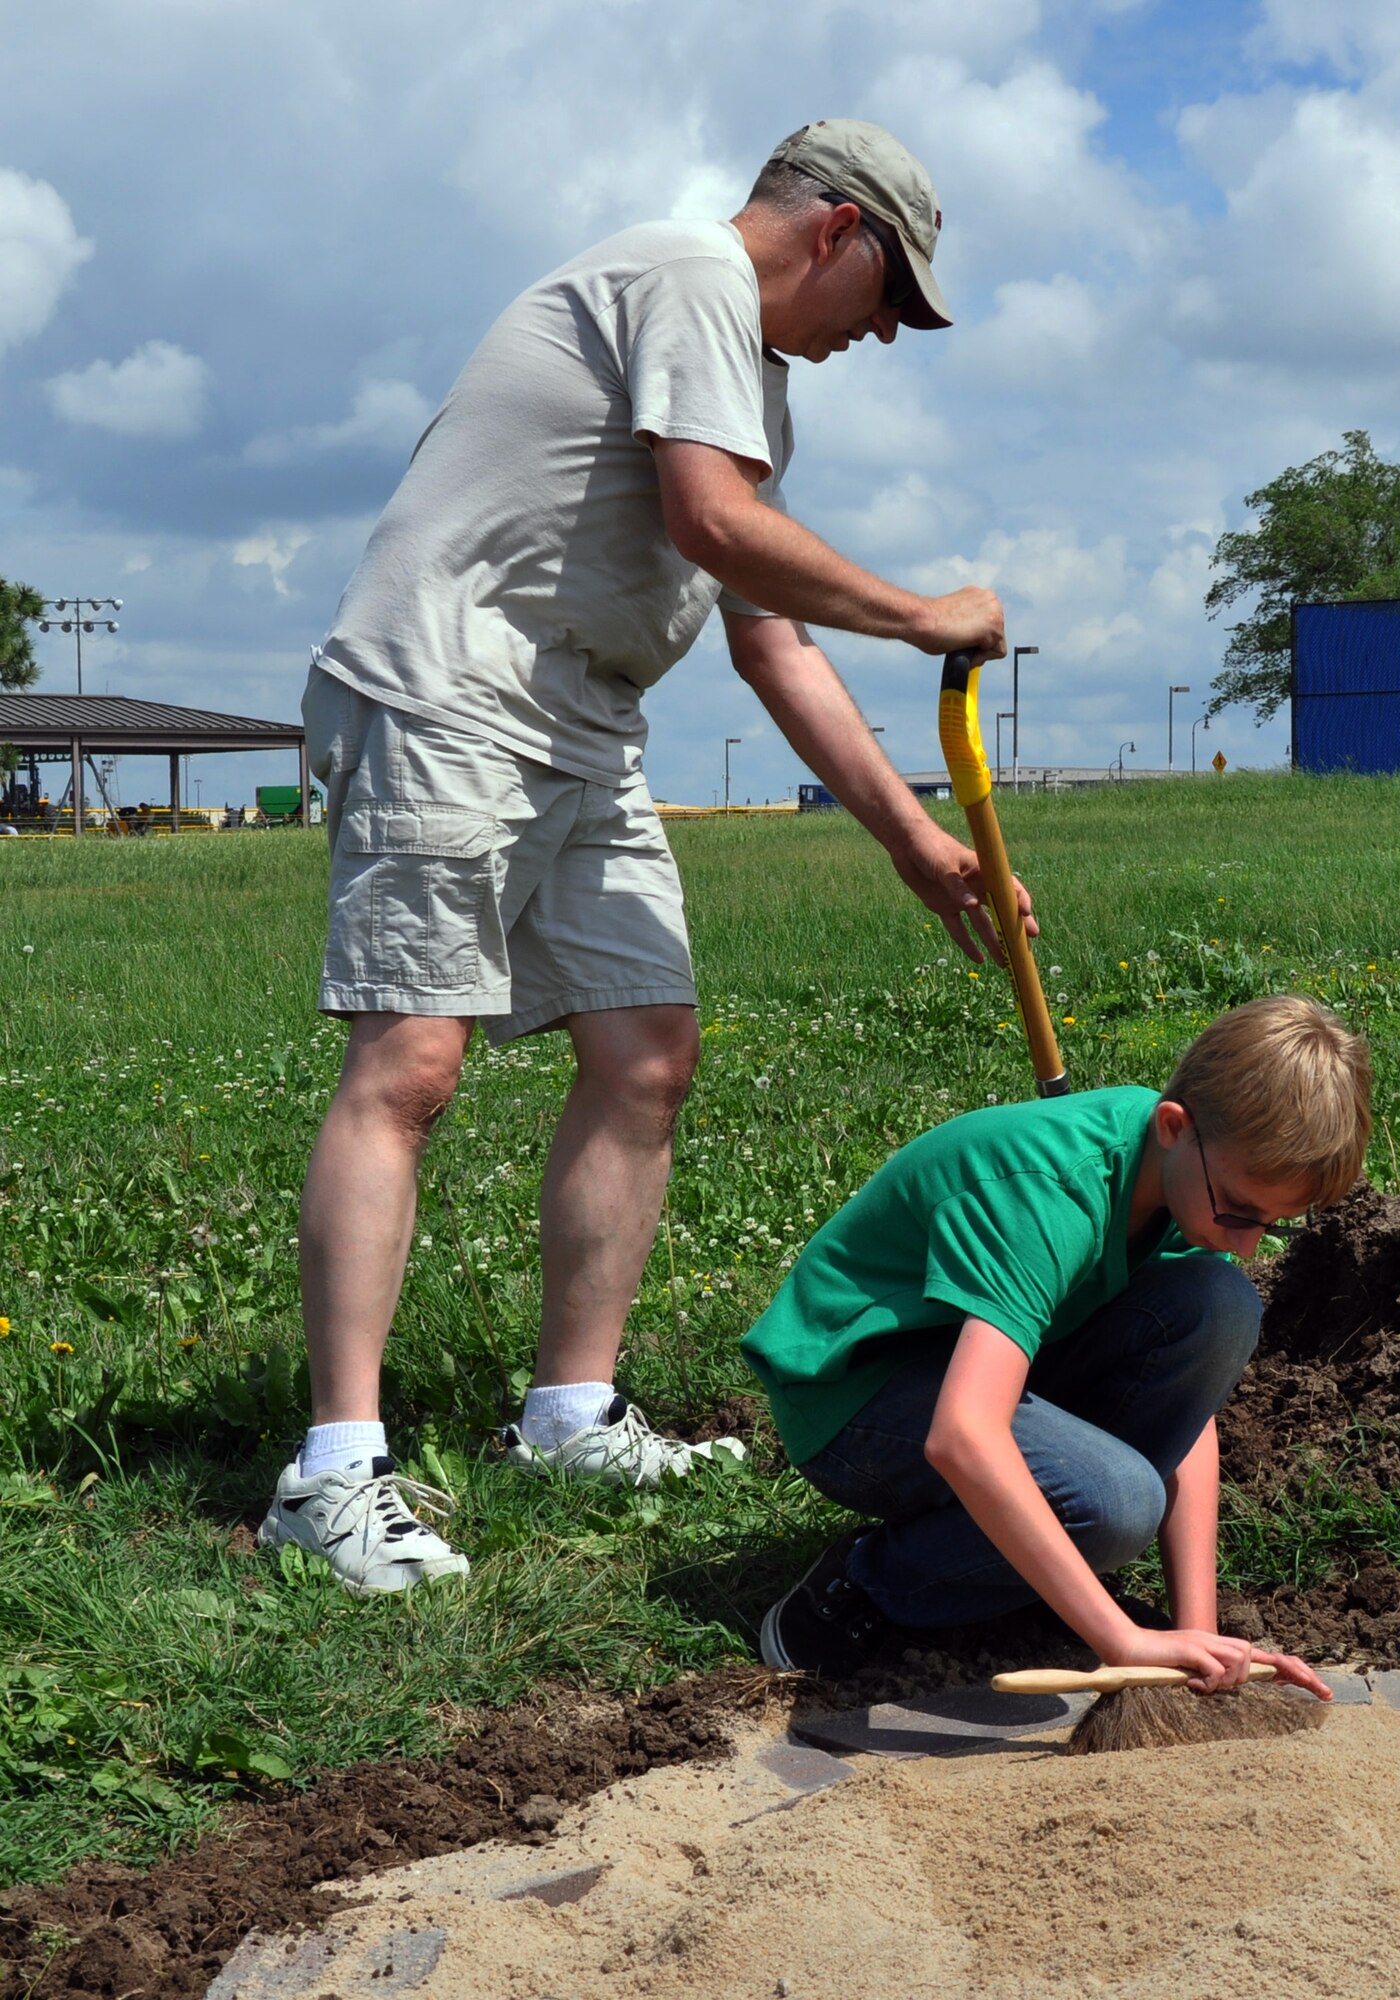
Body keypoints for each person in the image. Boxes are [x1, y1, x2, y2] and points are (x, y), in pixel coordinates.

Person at [260, 119, 1027, 1595]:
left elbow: (768, 639)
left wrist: (918, 842)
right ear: (837, 232)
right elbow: (709, 523)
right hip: (446, 682)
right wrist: (926, 611)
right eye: (888, 299)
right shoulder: (687, 277)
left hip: (578, 715)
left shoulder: (752, 391)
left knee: (647, 1050)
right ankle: (334, 1472)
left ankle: (569, 1416)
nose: (881, 335)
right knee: (413, 1061)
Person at [746, 995, 1369, 1694]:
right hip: (854, 1395)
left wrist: (1193, 1630)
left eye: (1274, 1226)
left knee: (1218, 1304)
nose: (1249, 1243)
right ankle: (864, 1584)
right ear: (1173, 1126)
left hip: (981, 1364)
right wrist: (1119, 1639)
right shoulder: (1046, 1196)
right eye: (1240, 1214)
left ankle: (1022, 1573)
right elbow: (962, 1437)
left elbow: (1187, 1416)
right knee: (1114, 1503)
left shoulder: (1188, 1173)